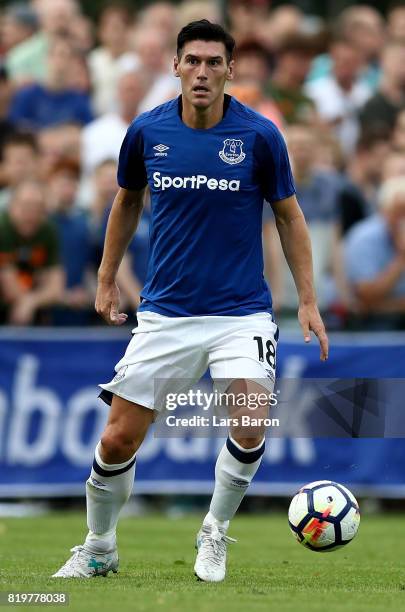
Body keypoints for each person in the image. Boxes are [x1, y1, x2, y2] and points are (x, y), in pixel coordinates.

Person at [52, 19, 328, 583]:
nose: (202, 72)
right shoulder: (147, 132)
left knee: (251, 419)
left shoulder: (259, 136)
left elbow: (288, 216)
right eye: (193, 61)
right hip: (166, 313)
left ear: (230, 70)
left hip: (241, 311)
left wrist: (307, 300)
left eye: (214, 62)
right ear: (176, 66)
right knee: (117, 438)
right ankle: (99, 546)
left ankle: (214, 531)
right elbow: (125, 203)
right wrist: (106, 278)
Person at [344, 176, 405, 330]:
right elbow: (366, 299)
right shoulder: (363, 238)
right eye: (399, 212)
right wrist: (401, 259)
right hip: (373, 323)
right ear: (384, 211)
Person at [0, 180, 63, 325]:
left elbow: (56, 287)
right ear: (12, 206)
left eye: (38, 209)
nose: (31, 214)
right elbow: (9, 287)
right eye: (26, 207)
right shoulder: (2, 228)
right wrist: (33, 299)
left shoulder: (48, 230)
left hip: (32, 307)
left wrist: (31, 301)